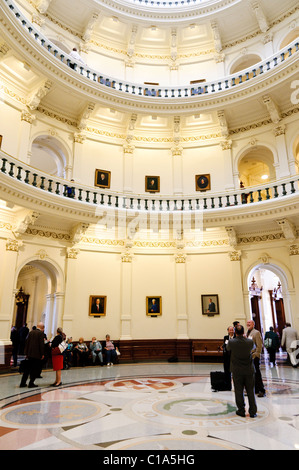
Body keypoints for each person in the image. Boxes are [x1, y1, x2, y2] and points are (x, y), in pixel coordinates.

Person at [226, 324, 257, 418]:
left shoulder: (231, 342)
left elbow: (227, 349)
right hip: (249, 369)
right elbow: (253, 348)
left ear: (235, 332)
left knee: (239, 391)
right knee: (251, 391)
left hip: (237, 370)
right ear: (244, 332)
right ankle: (253, 411)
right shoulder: (250, 342)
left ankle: (241, 410)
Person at [20, 322, 45, 388]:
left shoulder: (31, 332)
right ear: (42, 328)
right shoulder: (41, 333)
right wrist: (42, 354)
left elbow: (27, 342)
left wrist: (26, 353)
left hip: (29, 354)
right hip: (37, 355)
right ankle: (31, 383)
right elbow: (41, 345)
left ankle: (22, 383)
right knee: (34, 369)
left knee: (27, 369)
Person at [247, 320, 266, 397]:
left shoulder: (256, 332)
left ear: (253, 324)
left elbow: (259, 345)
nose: (248, 324)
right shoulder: (247, 332)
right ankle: (256, 389)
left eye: (249, 323)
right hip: (249, 356)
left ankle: (262, 390)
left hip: (255, 356)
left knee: (257, 373)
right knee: (252, 374)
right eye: (247, 323)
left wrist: (257, 354)